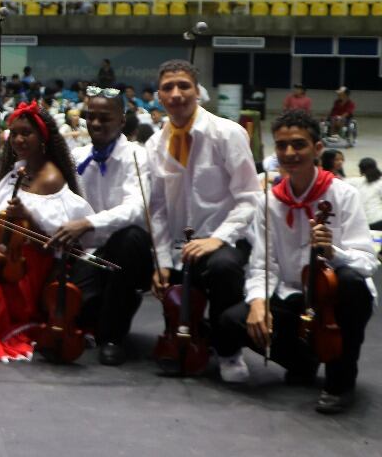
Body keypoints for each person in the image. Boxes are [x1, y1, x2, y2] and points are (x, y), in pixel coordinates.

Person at [216, 110, 376, 414]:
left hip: (333, 296)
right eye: (282, 146)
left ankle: (340, 381)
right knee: (233, 321)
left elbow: (368, 262)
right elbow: (263, 263)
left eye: (299, 145)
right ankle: (302, 360)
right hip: (291, 292)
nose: (289, 153)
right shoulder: (269, 201)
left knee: (351, 284)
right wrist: (259, 303)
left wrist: (334, 252)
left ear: (317, 149)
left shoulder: (343, 195)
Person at [0, 102, 94, 363]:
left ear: (43, 137)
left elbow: (54, 242)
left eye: (26, 133)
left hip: (26, 270)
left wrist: (28, 215)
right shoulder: (17, 171)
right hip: (1, 261)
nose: (19, 139)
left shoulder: (52, 178)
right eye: (15, 133)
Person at [146, 59, 261, 382]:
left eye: (184, 85)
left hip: (224, 239)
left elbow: (249, 198)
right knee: (156, 272)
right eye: (168, 87)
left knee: (223, 267)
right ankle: (188, 337)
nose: (176, 93)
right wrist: (162, 260)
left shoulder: (227, 133)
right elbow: (156, 209)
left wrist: (218, 238)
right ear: (159, 96)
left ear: (198, 92)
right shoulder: (154, 145)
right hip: (182, 245)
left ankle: (229, 352)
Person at [48, 88, 153, 365]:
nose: (95, 124)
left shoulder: (137, 156)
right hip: (92, 255)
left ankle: (112, 338)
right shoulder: (78, 156)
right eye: (91, 117)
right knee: (74, 310)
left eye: (104, 118)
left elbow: (136, 208)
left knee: (129, 238)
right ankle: (108, 311)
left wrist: (87, 223)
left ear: (121, 121)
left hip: (130, 253)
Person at [349, 157, 382, 230]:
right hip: (372, 220)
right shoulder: (360, 181)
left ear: (361, 170)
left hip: (371, 221)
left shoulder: (360, 182)